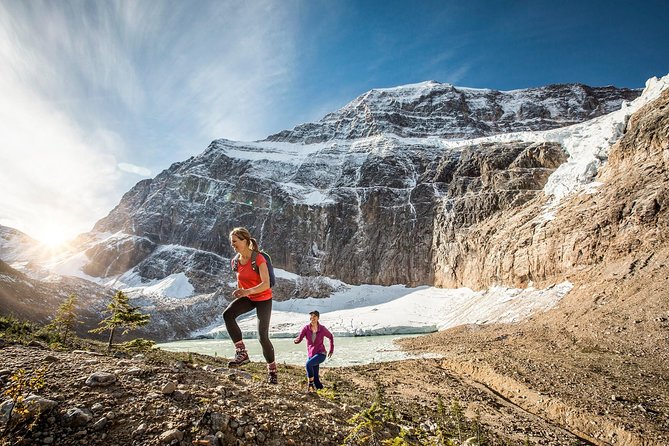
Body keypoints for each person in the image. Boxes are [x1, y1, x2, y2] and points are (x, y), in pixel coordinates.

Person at [224, 227, 278, 384]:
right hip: (249, 296)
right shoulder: (235, 261)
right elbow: (242, 279)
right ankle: (242, 353)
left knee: (262, 337)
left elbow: (266, 284)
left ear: (245, 241)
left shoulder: (258, 258)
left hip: (263, 298)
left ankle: (272, 372)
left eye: (235, 241)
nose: (232, 244)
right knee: (228, 315)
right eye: (231, 241)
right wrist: (241, 291)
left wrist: (247, 291)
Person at [294, 310, 334, 392]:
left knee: (308, 364)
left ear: (318, 318)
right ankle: (321, 389)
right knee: (315, 377)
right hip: (311, 354)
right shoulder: (306, 328)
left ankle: (310, 386)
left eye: (315, 316)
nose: (313, 318)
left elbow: (330, 336)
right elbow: (300, 338)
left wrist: (331, 349)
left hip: (321, 353)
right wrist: (296, 341)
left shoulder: (322, 329)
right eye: (311, 316)